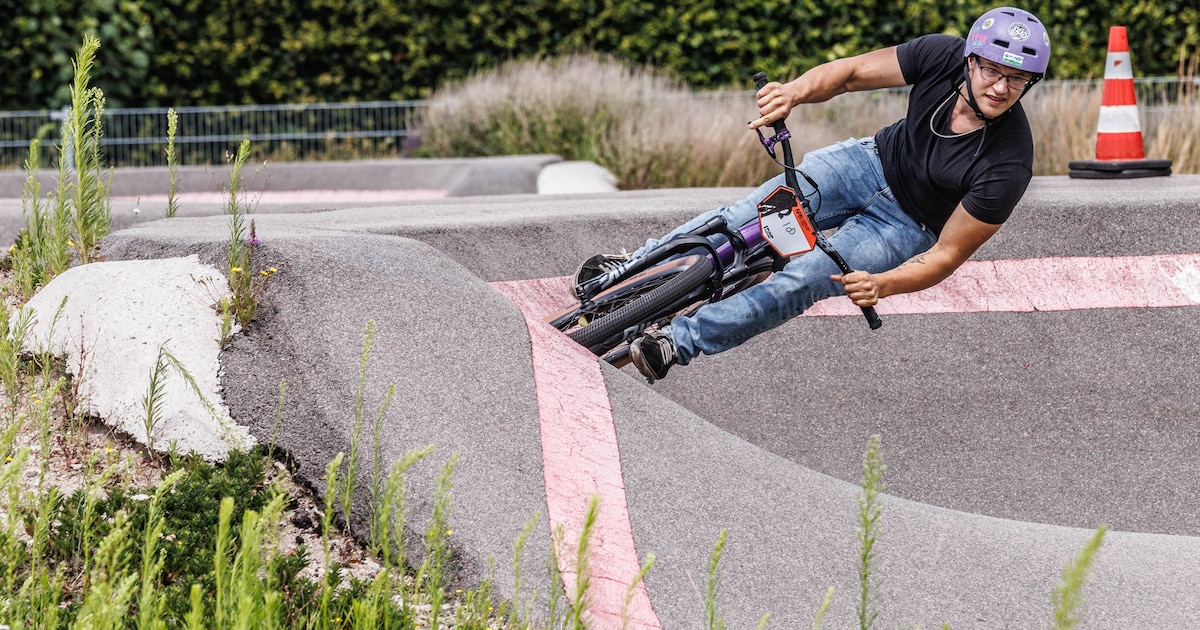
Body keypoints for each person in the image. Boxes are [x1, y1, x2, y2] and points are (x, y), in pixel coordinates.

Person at [572, 6, 1051, 382]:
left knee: (807, 277)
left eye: (1018, 79)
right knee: (748, 217)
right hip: (867, 163)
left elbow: (947, 254)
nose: (1002, 87)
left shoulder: (1009, 163)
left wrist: (883, 285)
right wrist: (794, 93)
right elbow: (851, 74)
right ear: (970, 59)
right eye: (992, 71)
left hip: (906, 225)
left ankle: (679, 343)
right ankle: (636, 266)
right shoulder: (940, 55)